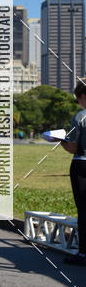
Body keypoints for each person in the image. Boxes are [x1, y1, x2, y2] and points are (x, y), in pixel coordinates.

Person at [60, 78, 86, 265]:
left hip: (82, 165)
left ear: (83, 97)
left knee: (84, 210)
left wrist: (60, 140)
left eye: (78, 100)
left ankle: (83, 252)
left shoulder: (80, 117)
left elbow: (72, 147)